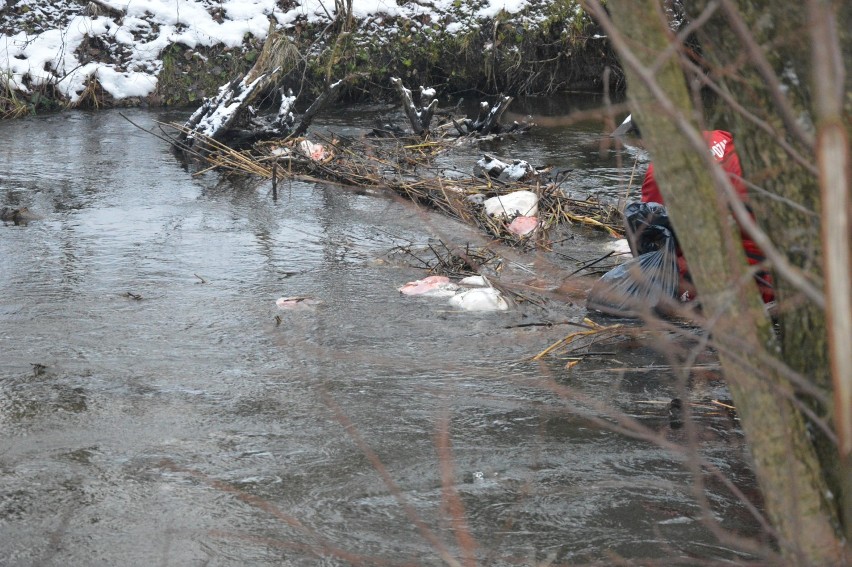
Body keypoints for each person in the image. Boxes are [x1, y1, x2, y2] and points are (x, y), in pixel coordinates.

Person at [638, 129, 775, 304]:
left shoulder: (660, 169)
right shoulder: (720, 136)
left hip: (741, 274)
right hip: (777, 256)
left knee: (662, 281)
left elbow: (651, 224)